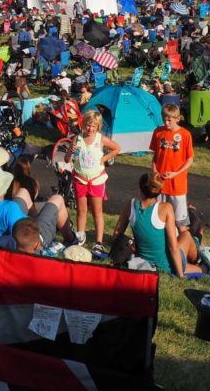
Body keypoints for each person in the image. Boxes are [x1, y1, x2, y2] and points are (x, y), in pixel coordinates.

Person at [110, 172, 200, 276]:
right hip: (166, 266)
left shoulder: (130, 205)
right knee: (186, 236)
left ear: (140, 188)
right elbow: (173, 247)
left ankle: (197, 260)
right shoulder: (165, 208)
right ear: (158, 191)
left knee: (189, 259)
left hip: (142, 261)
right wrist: (180, 275)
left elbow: (117, 234)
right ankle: (199, 260)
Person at [66, 110, 120, 254]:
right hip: (80, 179)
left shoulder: (100, 139)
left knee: (97, 211)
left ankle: (98, 242)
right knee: (81, 211)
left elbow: (116, 148)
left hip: (96, 180)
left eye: (93, 126)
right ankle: (80, 237)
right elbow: (67, 160)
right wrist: (70, 151)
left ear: (98, 127)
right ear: (83, 124)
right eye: (88, 125)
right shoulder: (77, 139)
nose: (90, 129)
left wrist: (103, 159)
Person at [150, 104, 193, 230]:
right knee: (159, 220)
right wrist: (154, 170)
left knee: (180, 223)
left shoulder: (185, 135)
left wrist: (176, 173)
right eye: (164, 119)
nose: (166, 122)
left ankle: (183, 247)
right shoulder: (158, 132)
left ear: (178, 118)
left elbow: (189, 159)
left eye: (169, 120)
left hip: (177, 185)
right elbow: (155, 155)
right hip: (160, 183)